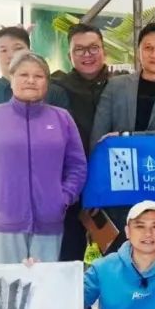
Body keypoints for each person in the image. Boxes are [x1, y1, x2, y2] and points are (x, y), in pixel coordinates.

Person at [0, 51, 86, 264]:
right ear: (11, 79)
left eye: (38, 76)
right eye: (23, 75)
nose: (31, 80)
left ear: (47, 82)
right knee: (8, 284)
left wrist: (63, 198)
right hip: (3, 224)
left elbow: (77, 166)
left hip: (49, 223)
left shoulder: (61, 119)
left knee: (45, 282)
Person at [91, 23, 155, 252]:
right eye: (148, 48)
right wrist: (94, 189)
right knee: (117, 255)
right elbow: (98, 138)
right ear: (138, 51)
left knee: (154, 256)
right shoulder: (115, 86)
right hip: (117, 186)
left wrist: (126, 137)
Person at [52, 23, 111, 262]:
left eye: (93, 47)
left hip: (112, 189)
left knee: (117, 257)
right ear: (70, 56)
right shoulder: (56, 90)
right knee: (68, 258)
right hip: (70, 189)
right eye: (79, 49)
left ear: (104, 51)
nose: (87, 54)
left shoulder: (122, 86)